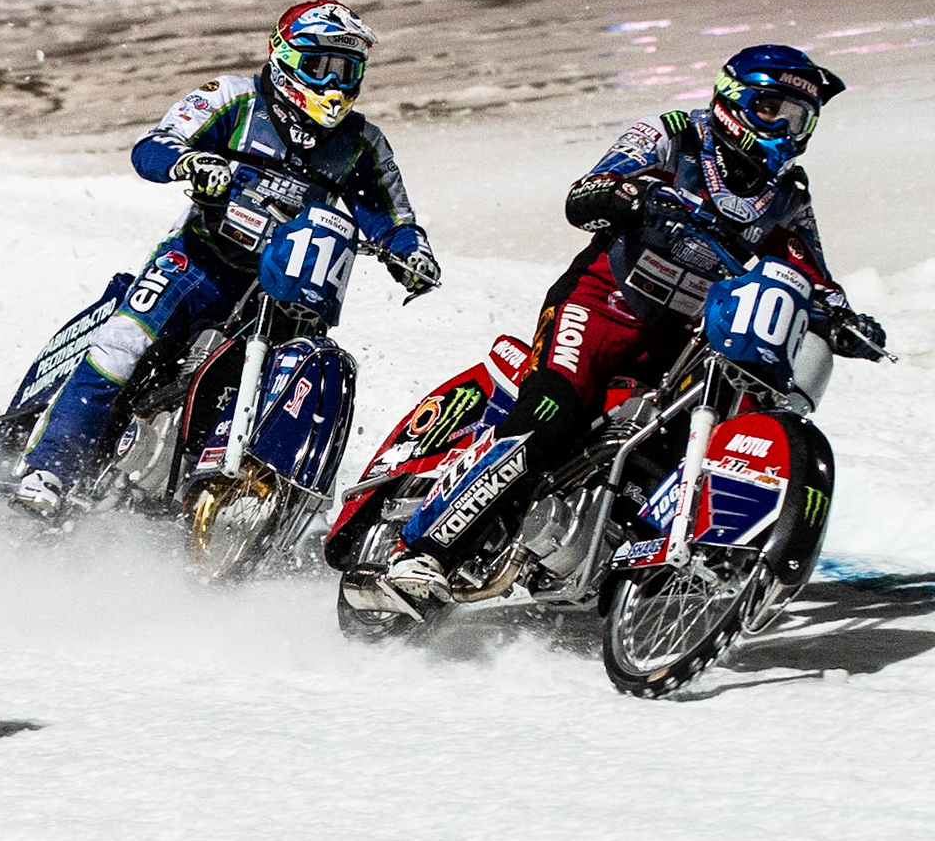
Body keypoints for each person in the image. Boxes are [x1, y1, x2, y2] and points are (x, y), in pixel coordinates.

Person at [381, 45, 889, 602]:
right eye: (773, 109)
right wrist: (630, 192)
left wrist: (842, 315)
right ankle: (423, 551)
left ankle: (638, 556)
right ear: (734, 100)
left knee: (692, 429)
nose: (785, 128)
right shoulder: (671, 135)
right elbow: (587, 194)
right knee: (549, 416)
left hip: (681, 342)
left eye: (799, 118)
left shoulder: (788, 196)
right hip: (598, 308)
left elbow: (810, 269)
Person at [12, 0, 440, 516]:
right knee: (122, 343)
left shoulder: (363, 143)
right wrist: (189, 161)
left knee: (299, 375)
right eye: (320, 66)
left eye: (347, 71)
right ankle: (49, 470)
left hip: (286, 283)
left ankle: (286, 501)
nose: (334, 85)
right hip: (199, 260)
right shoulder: (232, 98)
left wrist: (411, 252)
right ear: (284, 58)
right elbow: (153, 146)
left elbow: (392, 217)